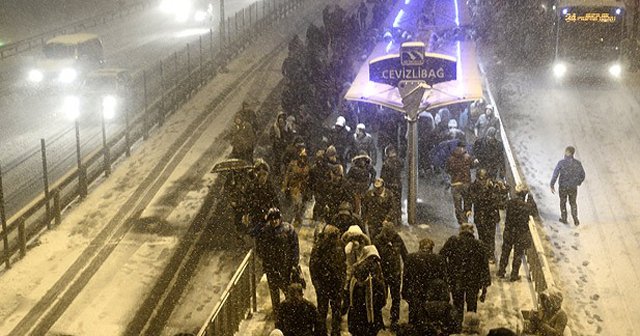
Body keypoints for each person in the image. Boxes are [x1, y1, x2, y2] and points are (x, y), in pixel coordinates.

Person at [440, 224, 491, 322]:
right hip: (473, 281)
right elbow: (485, 266)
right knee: (472, 307)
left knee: (457, 305)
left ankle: (457, 326)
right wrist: (485, 286)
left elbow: (441, 257)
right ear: (472, 232)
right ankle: (470, 327)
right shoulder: (479, 244)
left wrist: (447, 271)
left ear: (460, 231)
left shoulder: (453, 241)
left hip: (456, 279)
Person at [256, 208, 300, 315]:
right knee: (275, 292)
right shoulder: (267, 231)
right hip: (272, 267)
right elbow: (260, 248)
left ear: (280, 219)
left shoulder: (288, 230)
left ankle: (287, 310)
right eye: (272, 219)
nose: (274, 221)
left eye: (276, 219)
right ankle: (278, 312)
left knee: (287, 290)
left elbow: (295, 248)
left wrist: (294, 264)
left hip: (285, 266)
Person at [309, 225, 346, 336]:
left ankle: (335, 331)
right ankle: (322, 332)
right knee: (322, 310)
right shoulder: (318, 248)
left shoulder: (339, 245)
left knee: (336, 310)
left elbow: (343, 264)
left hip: (336, 284)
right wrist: (317, 286)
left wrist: (342, 281)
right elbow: (313, 268)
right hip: (323, 285)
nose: (336, 239)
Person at [403, 237, 448, 326]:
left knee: (413, 315)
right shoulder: (439, 259)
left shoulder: (410, 257)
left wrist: (404, 291)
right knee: (429, 318)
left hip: (415, 290)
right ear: (432, 247)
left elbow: (406, 276)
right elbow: (443, 278)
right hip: (432, 293)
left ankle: (413, 329)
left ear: (420, 246)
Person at [498, 183, 538, 281]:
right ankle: (514, 275)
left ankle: (501, 271)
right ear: (525, 194)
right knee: (518, 254)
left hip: (509, 231)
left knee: (505, 252)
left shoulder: (511, 202)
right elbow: (535, 213)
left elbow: (501, 206)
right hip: (521, 233)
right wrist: (531, 200)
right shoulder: (526, 206)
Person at [373, 221, 408, 330]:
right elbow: (374, 256)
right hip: (382, 274)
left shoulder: (397, 239)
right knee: (380, 298)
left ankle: (394, 320)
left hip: (395, 273)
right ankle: (378, 320)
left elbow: (405, 255)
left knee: (396, 298)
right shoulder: (378, 240)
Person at [468, 168, 508, 263]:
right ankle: (485, 254)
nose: (482, 181)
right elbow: (471, 198)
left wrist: (501, 188)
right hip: (482, 215)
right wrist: (468, 208)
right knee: (483, 236)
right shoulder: (474, 186)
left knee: (490, 236)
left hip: (489, 216)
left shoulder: (493, 185)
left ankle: (490, 255)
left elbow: (502, 197)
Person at [346, 245, 387, 336]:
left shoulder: (356, 269)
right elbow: (382, 293)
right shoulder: (376, 269)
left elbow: (349, 291)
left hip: (358, 313)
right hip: (370, 313)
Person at [550, 145, 585, 226]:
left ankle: (564, 218)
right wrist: (577, 182)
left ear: (567, 152)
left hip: (563, 187)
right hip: (573, 187)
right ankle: (575, 219)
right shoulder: (577, 163)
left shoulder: (561, 163)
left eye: (566, 151)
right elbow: (582, 175)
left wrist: (552, 184)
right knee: (573, 203)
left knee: (563, 202)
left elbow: (555, 174)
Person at [245, 159, 280, 237]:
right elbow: (247, 200)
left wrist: (276, 212)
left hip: (268, 214)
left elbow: (275, 200)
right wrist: (248, 212)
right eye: (260, 174)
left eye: (264, 174)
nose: (263, 177)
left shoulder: (269, 186)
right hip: (256, 214)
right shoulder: (251, 186)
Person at [446, 140, 474, 225]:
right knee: (467, 200)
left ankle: (461, 220)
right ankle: (465, 217)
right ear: (464, 147)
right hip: (466, 183)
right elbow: (472, 166)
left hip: (455, 184)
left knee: (457, 205)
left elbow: (447, 170)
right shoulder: (467, 157)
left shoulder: (450, 158)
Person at [282, 148, 310, 226]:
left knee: (300, 205)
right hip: (293, 187)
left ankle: (297, 218)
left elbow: (308, 178)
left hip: (302, 188)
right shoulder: (293, 164)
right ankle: (292, 219)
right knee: (295, 204)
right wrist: (285, 186)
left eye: (304, 157)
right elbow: (287, 175)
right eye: (301, 157)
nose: (302, 159)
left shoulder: (307, 167)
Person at [380, 145, 403, 224]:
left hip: (390, 185)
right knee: (398, 201)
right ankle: (398, 218)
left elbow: (383, 176)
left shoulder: (386, 163)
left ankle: (392, 219)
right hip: (398, 184)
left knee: (390, 202)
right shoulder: (398, 161)